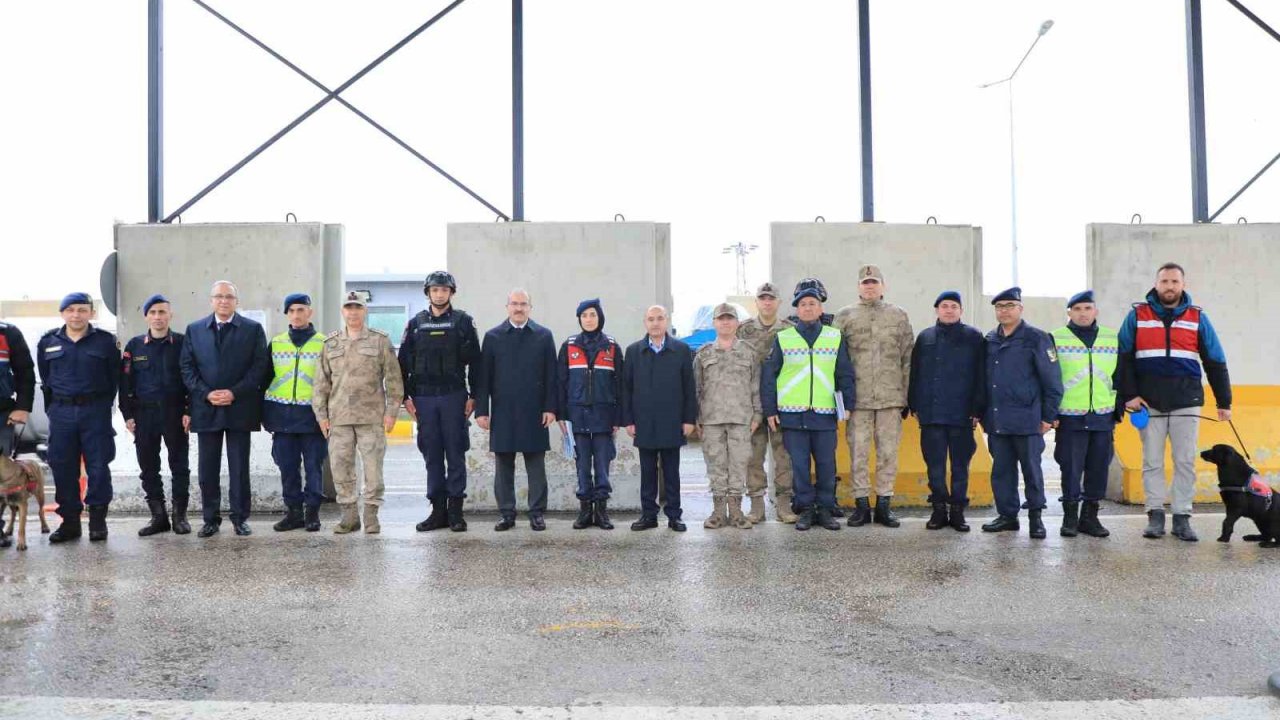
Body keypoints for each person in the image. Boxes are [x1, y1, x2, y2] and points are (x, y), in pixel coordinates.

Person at [1118, 262, 1231, 542]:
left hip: (1186, 400)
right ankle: (1155, 515)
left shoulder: (1197, 318)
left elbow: (1215, 361)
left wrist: (1224, 401)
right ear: (1156, 284)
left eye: (1175, 282)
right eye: (1165, 281)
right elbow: (1122, 359)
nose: (1170, 286)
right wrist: (1129, 395)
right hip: (1148, 402)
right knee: (1152, 462)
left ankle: (1182, 518)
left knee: (1184, 462)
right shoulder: (1137, 315)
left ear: (1183, 285)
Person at [761, 278, 855, 531]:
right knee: (800, 466)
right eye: (803, 304)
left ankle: (824, 509)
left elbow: (844, 373)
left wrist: (848, 405)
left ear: (820, 308)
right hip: (792, 414)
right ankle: (805, 509)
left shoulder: (835, 337)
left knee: (826, 464)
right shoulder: (785, 338)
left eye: (813, 303)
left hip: (824, 413)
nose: (808, 308)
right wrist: (770, 410)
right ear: (797, 310)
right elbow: (769, 376)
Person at [180, 281, 270, 538]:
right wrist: (207, 393)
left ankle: (240, 518)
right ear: (211, 300)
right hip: (206, 408)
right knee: (207, 468)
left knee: (239, 467)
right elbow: (187, 368)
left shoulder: (252, 330)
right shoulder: (195, 330)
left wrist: (234, 392)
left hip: (239, 407)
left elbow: (259, 367)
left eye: (228, 297)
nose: (223, 301)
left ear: (236, 301)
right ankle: (210, 519)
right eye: (218, 296)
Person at [313, 291, 404, 535]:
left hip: (371, 418)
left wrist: (392, 412)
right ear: (343, 311)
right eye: (348, 307)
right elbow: (321, 384)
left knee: (373, 469)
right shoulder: (330, 343)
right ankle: (349, 518)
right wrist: (322, 416)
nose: (353, 312)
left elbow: (394, 380)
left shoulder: (380, 341)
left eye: (358, 307)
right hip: (339, 418)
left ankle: (371, 516)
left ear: (365, 311)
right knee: (341, 469)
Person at [398, 271, 481, 533]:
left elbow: (477, 363)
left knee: (455, 453)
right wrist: (404, 399)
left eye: (444, 290)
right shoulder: (415, 324)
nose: (439, 293)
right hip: (423, 397)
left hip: (453, 396)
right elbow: (402, 363)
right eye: (435, 290)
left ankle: (456, 512)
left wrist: (474, 396)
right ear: (428, 293)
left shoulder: (463, 322)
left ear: (451, 293)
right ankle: (437, 511)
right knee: (432, 455)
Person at [834, 264, 915, 528]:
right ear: (859, 287)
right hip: (857, 399)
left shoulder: (898, 315)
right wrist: (841, 398)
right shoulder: (844, 316)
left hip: (890, 398)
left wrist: (906, 396)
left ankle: (884, 505)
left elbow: (907, 359)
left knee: (888, 453)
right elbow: (836, 360)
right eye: (865, 282)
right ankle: (861, 507)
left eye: (874, 282)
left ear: (883, 286)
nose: (870, 286)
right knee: (858, 453)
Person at [980, 287, 1064, 539]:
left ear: (1020, 308)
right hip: (998, 419)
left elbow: (1053, 382)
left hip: (1028, 420)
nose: (1004, 310)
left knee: (1032, 471)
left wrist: (1048, 417)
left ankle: (1036, 518)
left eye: (1009, 305)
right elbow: (984, 381)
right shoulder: (990, 340)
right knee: (1002, 471)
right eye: (999, 306)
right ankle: (1007, 516)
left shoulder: (1037, 338)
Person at [37, 293, 120, 543]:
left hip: (95, 412)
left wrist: (102, 407)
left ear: (91, 313)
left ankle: (97, 522)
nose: (76, 315)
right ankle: (70, 523)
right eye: (71, 310)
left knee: (97, 466)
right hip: (61, 413)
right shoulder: (48, 342)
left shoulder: (105, 342)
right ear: (62, 313)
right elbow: (46, 377)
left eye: (82, 310)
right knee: (62, 466)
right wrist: (54, 410)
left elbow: (114, 378)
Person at [474, 288, 558, 532]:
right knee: (503, 466)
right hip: (503, 412)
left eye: (523, 304)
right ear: (507, 307)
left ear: (530, 308)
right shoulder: (493, 337)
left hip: (535, 412)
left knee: (536, 467)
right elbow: (484, 379)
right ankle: (507, 513)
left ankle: (536, 513)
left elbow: (551, 376)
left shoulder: (543, 336)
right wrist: (482, 410)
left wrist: (550, 408)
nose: (519, 308)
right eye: (514, 304)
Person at [907, 290, 983, 532]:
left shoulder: (973, 336)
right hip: (932, 414)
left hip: (962, 415)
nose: (949, 310)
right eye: (944, 306)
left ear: (961, 311)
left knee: (961, 465)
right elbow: (915, 373)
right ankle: (939, 509)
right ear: (937, 310)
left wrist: (977, 408)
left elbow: (981, 376)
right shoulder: (925, 337)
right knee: (935, 466)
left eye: (954, 306)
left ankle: (958, 511)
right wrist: (914, 404)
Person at [119, 294, 192, 536]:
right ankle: (158, 517)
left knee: (179, 466)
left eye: (162, 312)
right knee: (149, 467)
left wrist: (189, 411)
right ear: (146, 316)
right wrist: (127, 416)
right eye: (153, 313)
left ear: (170, 315)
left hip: (174, 414)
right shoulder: (135, 346)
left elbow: (191, 380)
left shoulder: (183, 343)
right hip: (144, 416)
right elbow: (125, 383)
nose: (158, 317)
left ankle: (179, 517)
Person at [620, 305, 697, 532]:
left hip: (673, 420)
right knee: (647, 471)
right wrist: (629, 420)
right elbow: (627, 388)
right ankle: (648, 515)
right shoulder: (634, 351)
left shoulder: (681, 350)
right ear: (645, 323)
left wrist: (689, 419)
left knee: (672, 471)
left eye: (660, 318)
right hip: (644, 421)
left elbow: (689, 387)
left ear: (666, 321)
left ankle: (674, 515)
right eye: (651, 319)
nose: (655, 323)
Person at [1050, 291, 1119, 539]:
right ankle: (1069, 517)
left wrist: (1119, 409)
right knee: (1070, 468)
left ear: (1095, 311)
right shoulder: (1056, 338)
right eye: (1077, 309)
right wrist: (1051, 411)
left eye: (1087, 308)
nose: (1082, 313)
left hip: (1102, 415)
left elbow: (1120, 375)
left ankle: (1090, 517)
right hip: (1070, 417)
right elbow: (1049, 378)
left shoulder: (1112, 338)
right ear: (1069, 312)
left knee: (1098, 468)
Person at [262, 293, 328, 533]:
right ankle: (293, 513)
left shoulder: (324, 343)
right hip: (282, 417)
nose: (297, 315)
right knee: (287, 468)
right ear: (287, 314)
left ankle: (312, 514)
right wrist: (265, 416)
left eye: (301, 310)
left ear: (310, 312)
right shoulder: (277, 343)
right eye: (292, 311)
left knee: (313, 467)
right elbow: (264, 378)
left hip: (313, 418)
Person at [558, 299, 624, 531]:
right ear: (579, 319)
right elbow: (561, 384)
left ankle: (602, 513)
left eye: (593, 315)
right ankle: (585, 512)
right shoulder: (569, 345)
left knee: (603, 468)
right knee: (583, 466)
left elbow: (621, 386)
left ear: (600, 318)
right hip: (577, 418)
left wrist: (618, 419)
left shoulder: (612, 346)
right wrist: (562, 418)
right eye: (584, 315)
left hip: (604, 418)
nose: (588, 319)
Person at [695, 303, 761, 529]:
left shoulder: (749, 352)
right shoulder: (703, 354)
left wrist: (758, 415)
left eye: (729, 318)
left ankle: (736, 512)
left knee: (738, 465)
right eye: (721, 319)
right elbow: (697, 387)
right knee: (716, 466)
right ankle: (717, 512)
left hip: (741, 418)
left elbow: (756, 385)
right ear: (714, 323)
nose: (725, 322)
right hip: (711, 419)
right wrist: (696, 418)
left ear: (737, 323)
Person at [735, 282, 796, 523]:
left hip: (782, 402)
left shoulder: (790, 330)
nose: (767, 302)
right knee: (753, 457)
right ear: (757, 302)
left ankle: (783, 505)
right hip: (752, 403)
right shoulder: (744, 330)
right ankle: (757, 507)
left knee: (783, 456)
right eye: (763, 298)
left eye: (771, 298)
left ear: (778, 302)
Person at [0, 316, 36, 548]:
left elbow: (25, 372)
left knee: (2, 475)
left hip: (2, 414)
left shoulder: (8, 333)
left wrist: (22, 406)